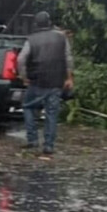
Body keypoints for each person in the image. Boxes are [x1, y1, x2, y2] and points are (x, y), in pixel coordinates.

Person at [17, 11, 74, 157]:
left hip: (36, 81)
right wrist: (69, 78)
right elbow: (68, 58)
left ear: (36, 24)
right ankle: (48, 145)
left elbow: (21, 59)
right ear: (49, 23)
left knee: (27, 106)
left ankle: (32, 139)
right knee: (51, 113)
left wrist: (24, 77)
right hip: (56, 82)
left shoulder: (31, 39)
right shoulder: (61, 37)